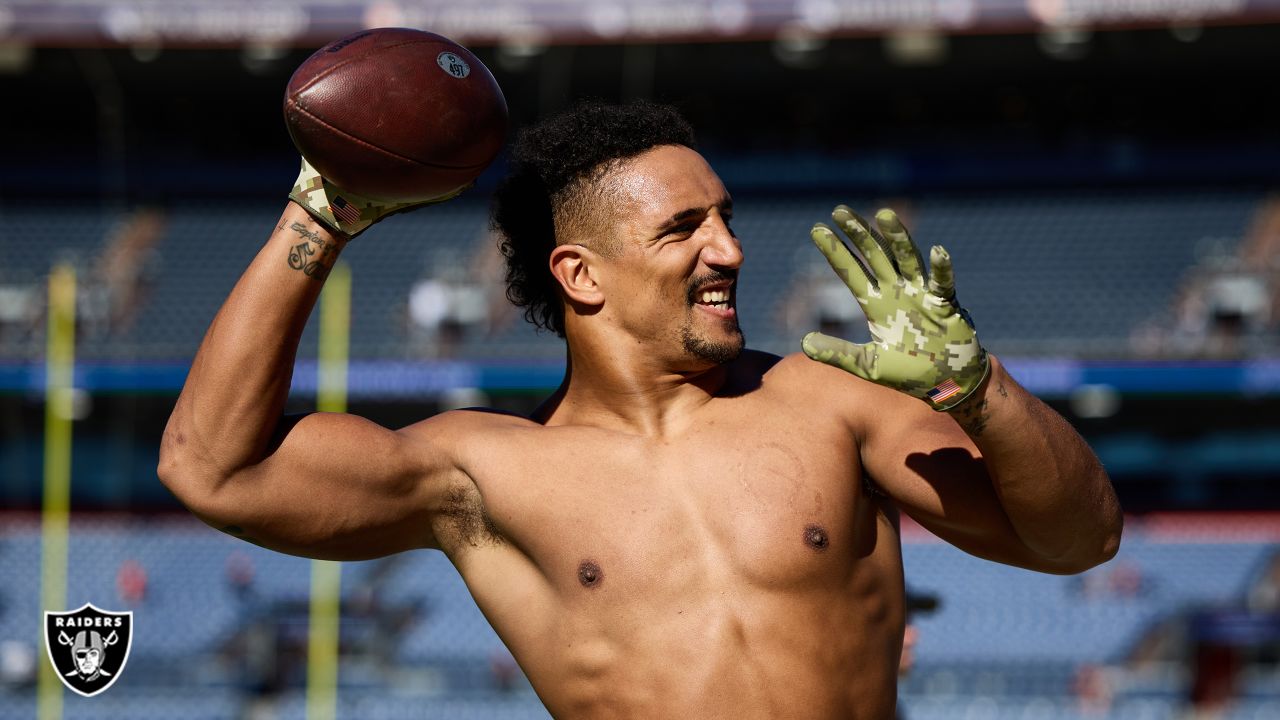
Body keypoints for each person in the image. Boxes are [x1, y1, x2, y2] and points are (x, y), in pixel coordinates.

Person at [158, 101, 1123, 719]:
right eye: (684, 228)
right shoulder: (483, 470)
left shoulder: (831, 403)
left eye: (726, 219)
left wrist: (981, 391)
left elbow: (1080, 541)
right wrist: (320, 214)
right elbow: (212, 470)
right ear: (580, 274)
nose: (731, 250)